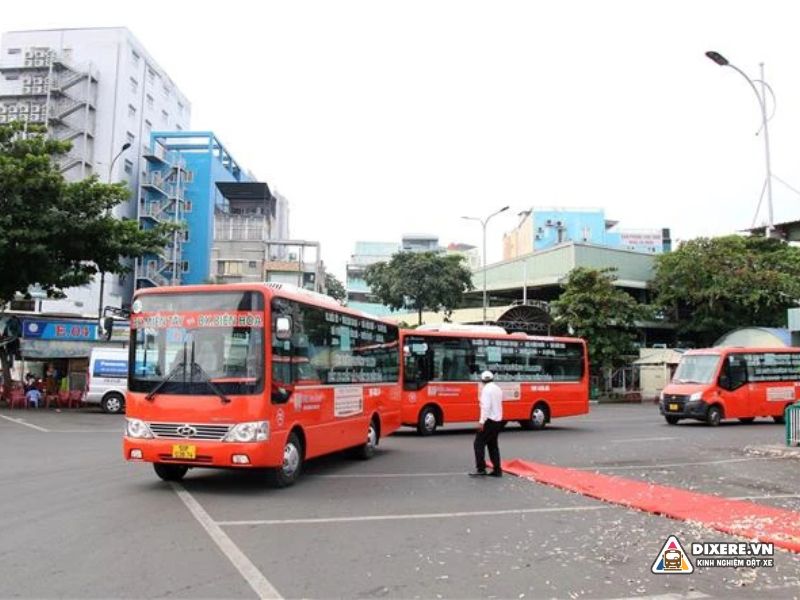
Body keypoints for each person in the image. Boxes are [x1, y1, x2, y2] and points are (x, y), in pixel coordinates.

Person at [469, 370, 504, 478]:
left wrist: (481, 422)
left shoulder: (486, 390)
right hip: (498, 420)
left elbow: (485, 407)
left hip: (489, 420)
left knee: (478, 443)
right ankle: (497, 469)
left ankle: (481, 468)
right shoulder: (498, 389)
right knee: (493, 445)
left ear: (482, 380)